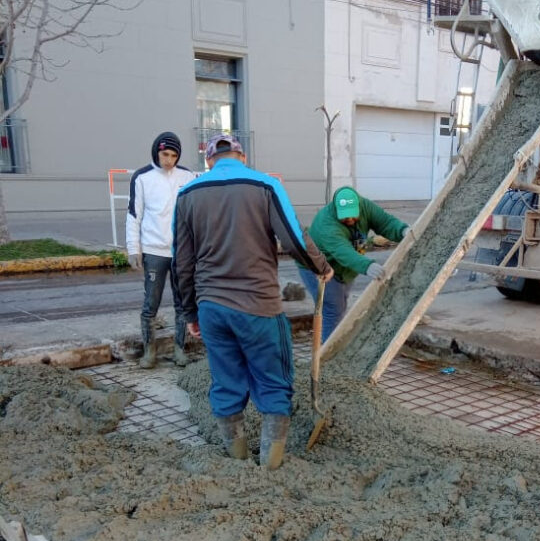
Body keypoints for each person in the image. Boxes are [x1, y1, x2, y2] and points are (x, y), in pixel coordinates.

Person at [173, 134, 332, 468]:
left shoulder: (187, 195)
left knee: (226, 382)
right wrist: (321, 267)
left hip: (212, 309)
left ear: (208, 161)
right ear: (241, 156)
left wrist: (190, 312)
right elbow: (293, 237)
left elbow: (182, 262)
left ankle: (238, 458)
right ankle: (270, 466)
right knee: (273, 381)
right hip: (258, 307)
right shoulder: (264, 185)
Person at [297, 186, 410, 342]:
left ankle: (333, 344)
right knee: (333, 309)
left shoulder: (365, 206)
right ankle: (328, 353)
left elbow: (385, 222)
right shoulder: (327, 224)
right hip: (316, 266)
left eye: (352, 215)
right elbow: (344, 252)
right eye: (344, 217)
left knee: (340, 304)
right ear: (336, 209)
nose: (349, 220)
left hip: (345, 267)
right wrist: (366, 265)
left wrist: (402, 231)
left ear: (358, 206)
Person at [126, 131, 195, 368]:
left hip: (181, 252)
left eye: (174, 155)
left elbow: (196, 213)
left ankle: (179, 348)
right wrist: (133, 249)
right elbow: (134, 215)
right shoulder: (142, 177)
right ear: (157, 151)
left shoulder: (187, 176)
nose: (169, 160)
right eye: (165, 154)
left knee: (183, 303)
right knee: (150, 304)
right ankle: (149, 350)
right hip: (154, 252)